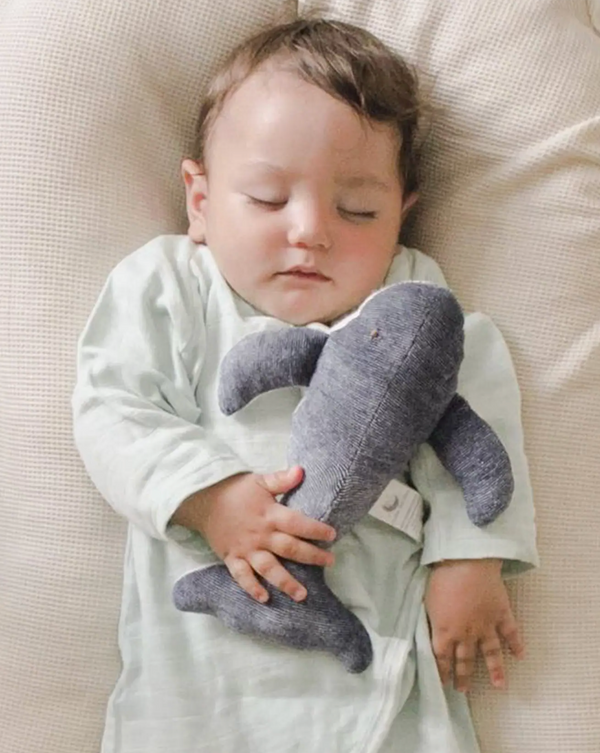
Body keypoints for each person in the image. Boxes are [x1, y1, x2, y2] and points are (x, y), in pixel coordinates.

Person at [72, 17, 538, 753]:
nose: (312, 230)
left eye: (359, 210)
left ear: (402, 215)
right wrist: (212, 495)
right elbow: (110, 408)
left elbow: (473, 413)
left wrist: (467, 554)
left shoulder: (409, 295)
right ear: (199, 199)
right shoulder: (170, 286)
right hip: (199, 684)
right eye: (264, 198)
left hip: (383, 683)